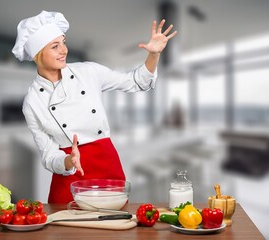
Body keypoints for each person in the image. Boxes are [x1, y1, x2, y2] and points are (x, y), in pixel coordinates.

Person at [12, 11, 177, 204]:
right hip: (70, 174)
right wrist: (68, 161)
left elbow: (136, 81)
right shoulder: (33, 102)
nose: (64, 50)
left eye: (63, 42)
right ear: (37, 54)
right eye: (55, 46)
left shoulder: (88, 72)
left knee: (112, 228)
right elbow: (48, 154)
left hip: (106, 164)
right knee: (67, 232)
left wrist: (153, 54)